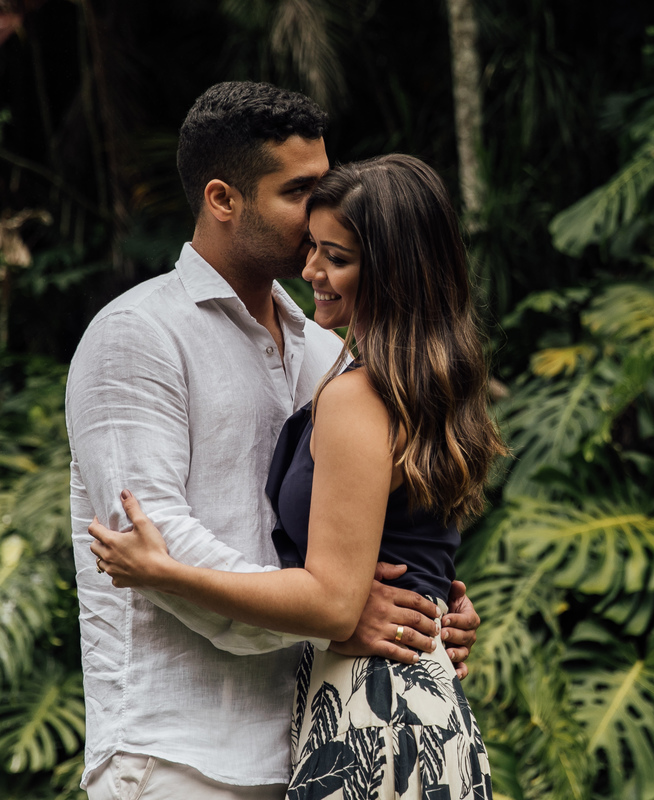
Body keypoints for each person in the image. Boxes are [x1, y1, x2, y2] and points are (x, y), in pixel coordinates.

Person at [66, 83, 480, 800]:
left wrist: (430, 604)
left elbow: (358, 539)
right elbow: (155, 540)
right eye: (300, 191)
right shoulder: (139, 335)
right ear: (223, 198)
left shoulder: (324, 355)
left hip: (315, 740)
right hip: (181, 753)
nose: (324, 208)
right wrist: (333, 613)